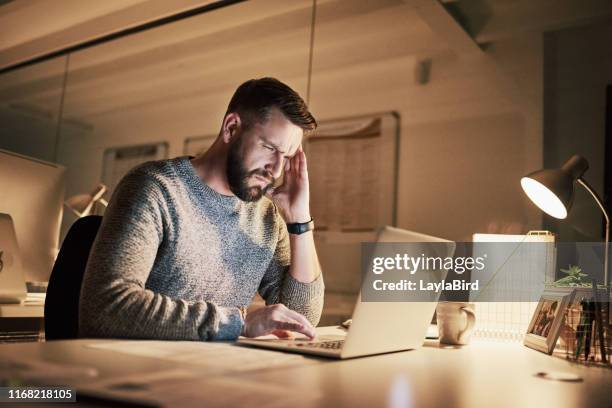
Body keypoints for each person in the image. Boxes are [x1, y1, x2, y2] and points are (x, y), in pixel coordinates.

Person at [79, 78, 324, 341]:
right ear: (231, 128)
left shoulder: (267, 217)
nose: (275, 170)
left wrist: (299, 221)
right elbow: (107, 309)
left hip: (210, 372)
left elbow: (301, 319)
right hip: (141, 370)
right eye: (269, 148)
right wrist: (237, 323)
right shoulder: (155, 188)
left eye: (286, 157)